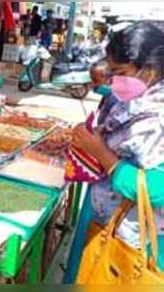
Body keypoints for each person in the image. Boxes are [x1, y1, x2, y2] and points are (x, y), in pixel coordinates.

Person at [63, 21, 164, 283]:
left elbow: (155, 189)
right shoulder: (137, 97)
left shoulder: (159, 115)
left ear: (150, 71)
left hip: (140, 239)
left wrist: (101, 153)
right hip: (109, 218)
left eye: (119, 72)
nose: (113, 80)